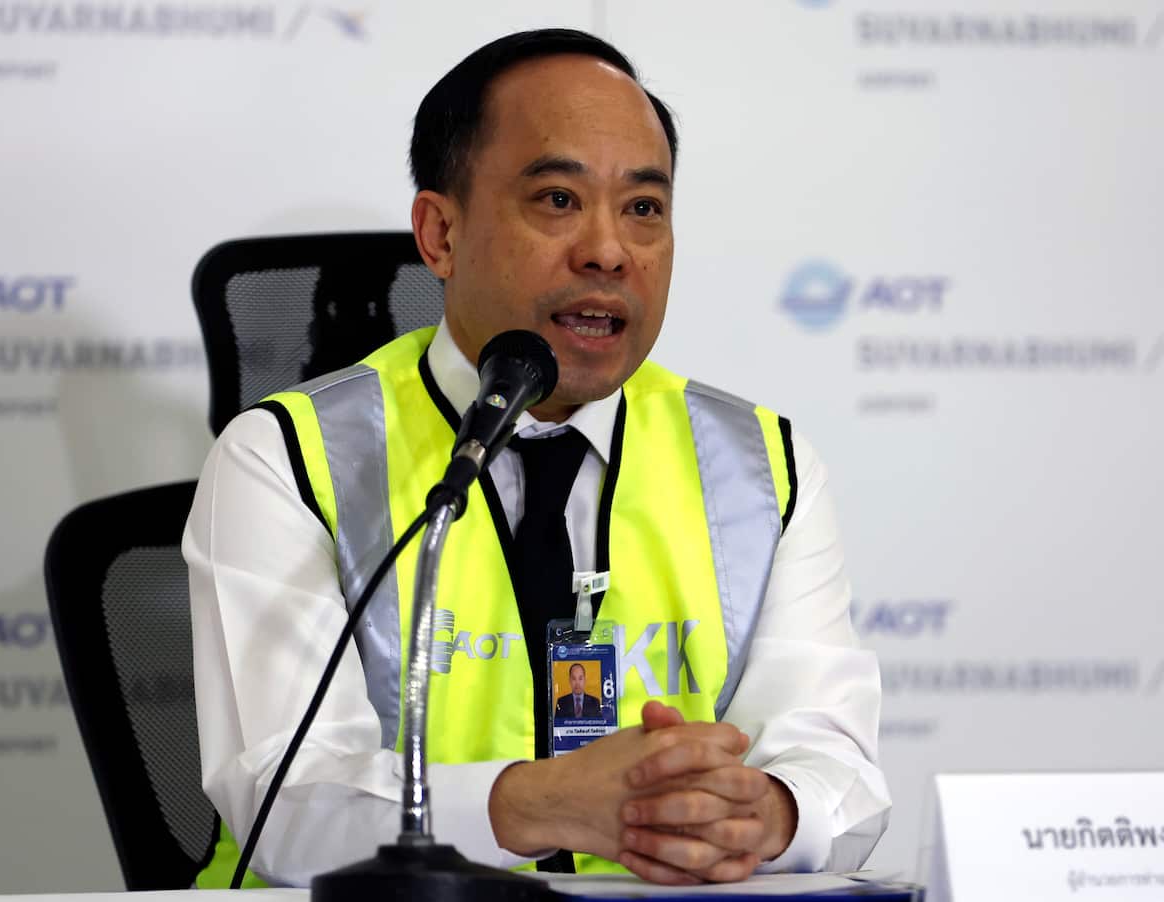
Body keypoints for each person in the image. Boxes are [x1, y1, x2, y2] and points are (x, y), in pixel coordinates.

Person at [185, 28, 890, 888]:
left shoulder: (760, 467)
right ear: (440, 234)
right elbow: (282, 799)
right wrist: (540, 804)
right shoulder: (287, 458)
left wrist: (767, 813)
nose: (608, 250)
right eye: (558, 200)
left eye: (644, 208)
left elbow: (838, 770)